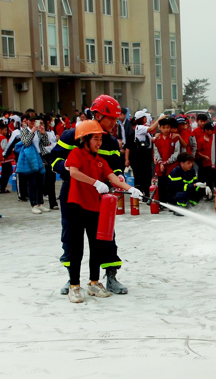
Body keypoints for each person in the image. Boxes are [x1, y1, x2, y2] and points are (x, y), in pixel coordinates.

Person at [52, 95, 131, 296]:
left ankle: (110, 276)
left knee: (105, 237)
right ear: (97, 115)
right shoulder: (72, 136)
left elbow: (115, 167)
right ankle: (73, 279)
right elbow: (54, 159)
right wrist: (68, 169)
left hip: (101, 197)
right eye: (110, 118)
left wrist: (121, 180)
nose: (114, 123)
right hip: (73, 194)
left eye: (116, 119)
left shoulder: (111, 142)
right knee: (71, 238)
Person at [62, 120, 142, 303]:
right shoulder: (76, 154)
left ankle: (94, 282)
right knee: (76, 248)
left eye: (100, 139)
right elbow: (73, 172)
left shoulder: (100, 161)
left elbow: (112, 177)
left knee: (96, 247)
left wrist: (130, 189)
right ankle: (74, 286)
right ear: (85, 139)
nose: (99, 143)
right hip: (76, 207)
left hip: (94, 208)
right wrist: (95, 182)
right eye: (95, 139)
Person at [19, 116, 49, 214]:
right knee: (32, 182)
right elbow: (26, 143)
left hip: (40, 156)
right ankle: (33, 204)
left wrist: (43, 133)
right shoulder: (24, 131)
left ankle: (40, 203)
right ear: (27, 121)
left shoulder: (39, 131)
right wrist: (32, 131)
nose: (33, 123)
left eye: (34, 121)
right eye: (30, 121)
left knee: (41, 182)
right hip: (30, 158)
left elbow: (46, 143)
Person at [124, 110, 154, 196]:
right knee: (138, 176)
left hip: (146, 157)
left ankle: (146, 194)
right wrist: (127, 159)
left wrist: (152, 157)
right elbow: (127, 148)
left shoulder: (146, 134)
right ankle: (139, 193)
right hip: (136, 158)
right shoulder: (132, 135)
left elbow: (151, 146)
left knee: (147, 176)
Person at [153, 117, 181, 205]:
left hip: (172, 166)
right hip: (160, 166)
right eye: (164, 127)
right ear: (160, 128)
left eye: (168, 127)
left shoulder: (174, 138)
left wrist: (167, 162)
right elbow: (156, 152)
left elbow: (177, 153)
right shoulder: (157, 139)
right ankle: (162, 203)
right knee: (161, 184)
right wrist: (161, 162)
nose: (166, 130)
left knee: (172, 185)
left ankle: (172, 202)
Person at [195, 122, 214, 187]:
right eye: (211, 130)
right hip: (205, 164)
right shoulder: (201, 140)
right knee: (204, 180)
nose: (212, 131)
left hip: (212, 164)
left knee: (211, 180)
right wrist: (204, 156)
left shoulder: (213, 139)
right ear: (206, 130)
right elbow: (197, 151)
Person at [0, 123, 14, 193]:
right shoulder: (3, 138)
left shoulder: (0, 138)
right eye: (5, 130)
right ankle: (0, 184)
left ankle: (1, 186)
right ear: (0, 130)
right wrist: (12, 149)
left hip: (3, 158)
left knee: (5, 172)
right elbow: (5, 148)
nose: (6, 131)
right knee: (8, 172)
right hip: (5, 158)